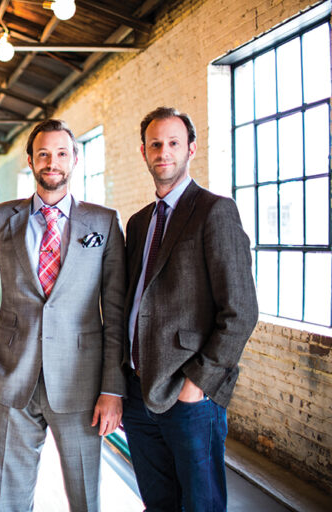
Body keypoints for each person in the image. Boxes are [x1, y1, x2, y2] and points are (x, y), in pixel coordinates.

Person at [0, 119, 125, 511]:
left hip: (81, 384)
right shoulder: (0, 218)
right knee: (12, 498)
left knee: (87, 497)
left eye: (61, 153)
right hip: (12, 379)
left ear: (75, 158)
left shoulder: (103, 222)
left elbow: (116, 313)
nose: (53, 162)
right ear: (32, 161)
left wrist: (113, 388)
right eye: (44, 154)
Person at [123, 106, 259, 511]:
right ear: (144, 151)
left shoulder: (215, 211)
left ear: (191, 149)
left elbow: (240, 311)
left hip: (189, 393)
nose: (164, 151)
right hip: (137, 391)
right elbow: (134, 303)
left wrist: (197, 384)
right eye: (155, 144)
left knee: (201, 505)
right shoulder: (139, 223)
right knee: (159, 503)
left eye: (173, 143)